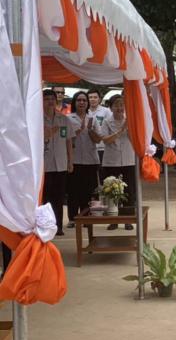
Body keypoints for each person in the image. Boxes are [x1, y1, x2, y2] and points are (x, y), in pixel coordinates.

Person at [100, 95, 136, 230]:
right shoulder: (106, 122)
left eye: (121, 105)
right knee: (112, 191)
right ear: (111, 107)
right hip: (111, 161)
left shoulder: (129, 121)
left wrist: (129, 128)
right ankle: (113, 219)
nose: (119, 108)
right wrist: (121, 131)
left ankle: (128, 219)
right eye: (116, 105)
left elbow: (134, 139)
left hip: (128, 160)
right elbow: (106, 140)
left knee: (129, 190)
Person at [66, 91, 101, 228]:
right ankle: (73, 218)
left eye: (84, 100)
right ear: (74, 102)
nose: (82, 103)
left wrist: (90, 130)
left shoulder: (93, 118)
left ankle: (86, 217)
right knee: (73, 190)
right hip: (74, 160)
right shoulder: (69, 118)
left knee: (88, 191)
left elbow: (98, 140)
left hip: (90, 160)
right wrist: (79, 130)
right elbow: (66, 140)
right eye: (79, 100)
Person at [43, 89, 74, 235]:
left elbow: (68, 141)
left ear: (56, 101)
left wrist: (70, 161)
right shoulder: (37, 119)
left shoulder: (63, 119)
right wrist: (46, 135)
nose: (50, 102)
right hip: (44, 165)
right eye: (46, 99)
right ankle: (46, 226)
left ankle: (58, 226)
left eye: (52, 99)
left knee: (59, 197)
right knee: (46, 198)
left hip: (61, 164)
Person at [87, 89, 112, 164]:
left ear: (99, 99)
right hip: (87, 147)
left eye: (95, 97)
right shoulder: (84, 111)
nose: (93, 99)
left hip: (102, 148)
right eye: (90, 97)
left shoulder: (106, 111)